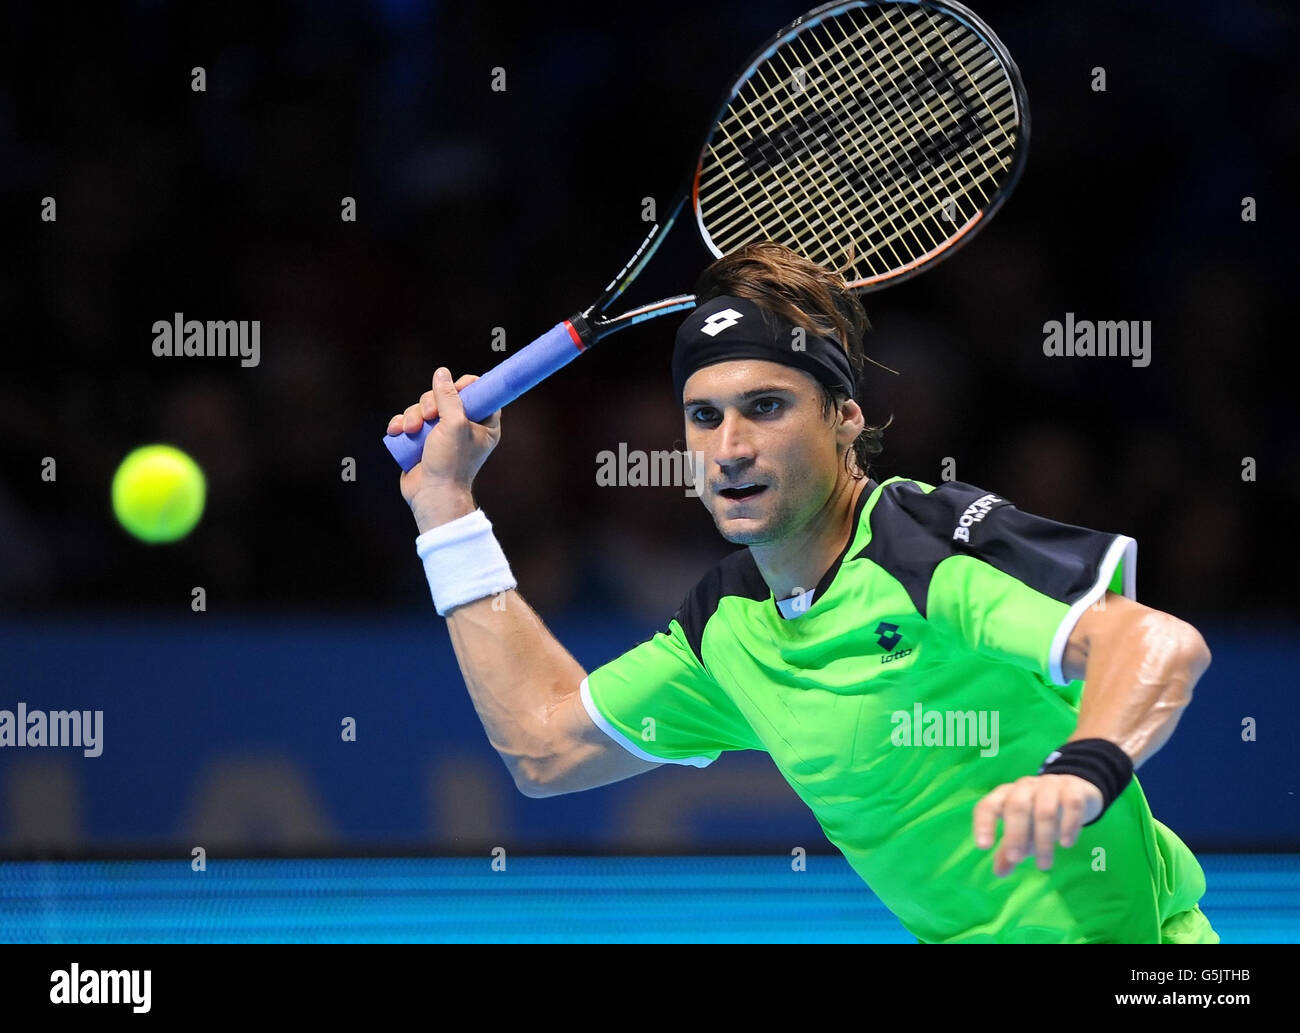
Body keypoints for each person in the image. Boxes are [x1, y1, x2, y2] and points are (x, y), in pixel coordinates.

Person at [385, 241, 1217, 944]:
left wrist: (1081, 772)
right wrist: (446, 507)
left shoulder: (921, 547)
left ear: (845, 418)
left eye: (767, 406)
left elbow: (1154, 643)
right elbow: (545, 747)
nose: (731, 446)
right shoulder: (728, 627)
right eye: (704, 418)